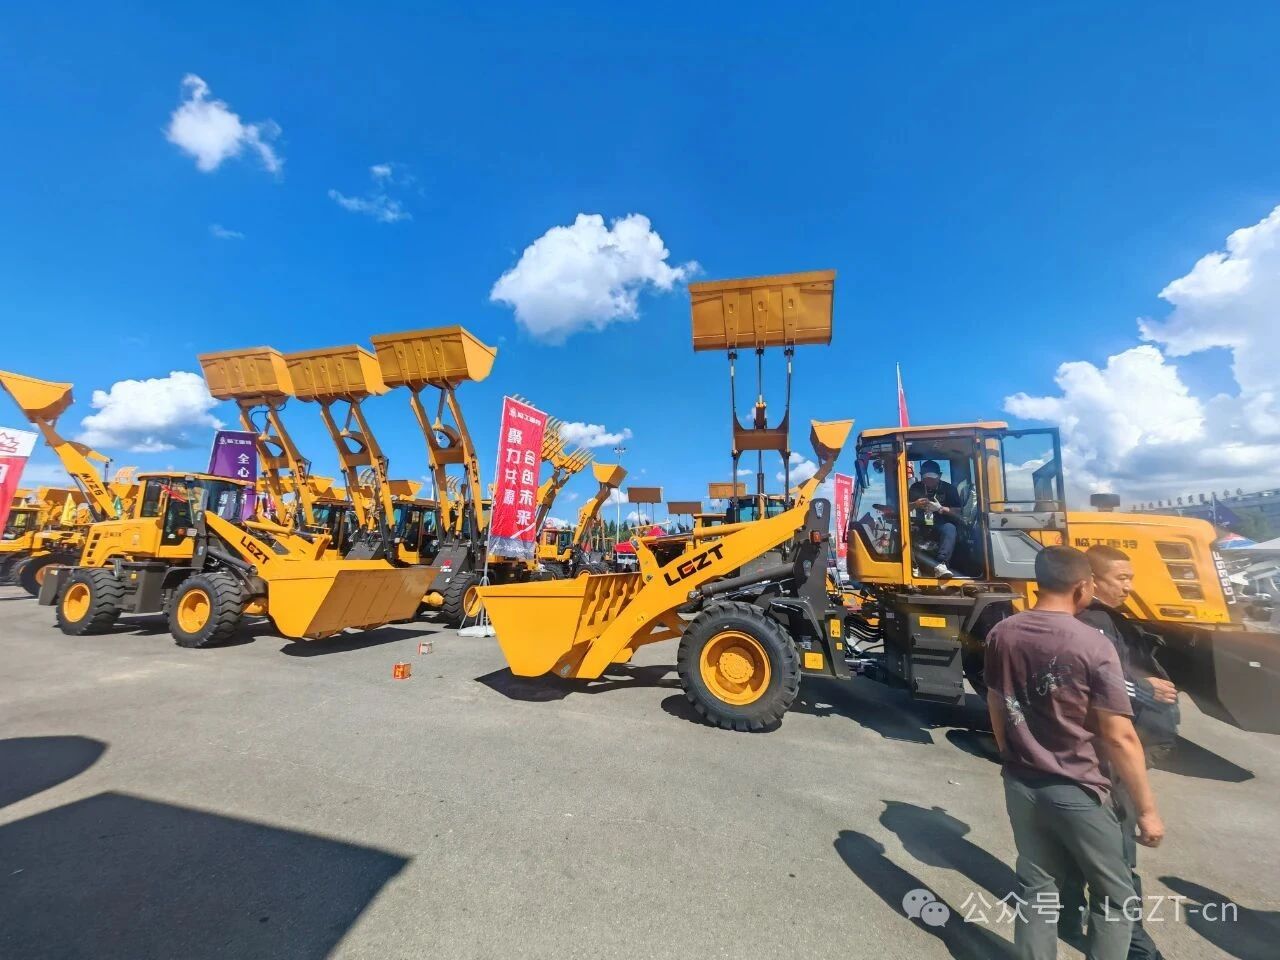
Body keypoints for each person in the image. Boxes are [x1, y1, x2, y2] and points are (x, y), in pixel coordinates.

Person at [985, 545, 1165, 960]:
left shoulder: (1003, 632)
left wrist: (1013, 756)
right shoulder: (1091, 645)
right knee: (1115, 897)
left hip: (1022, 783)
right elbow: (1120, 736)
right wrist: (1147, 810)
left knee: (1037, 890)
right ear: (1083, 587)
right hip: (1079, 789)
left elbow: (997, 704)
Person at [1055, 545, 1179, 959]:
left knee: (1075, 850)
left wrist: (1141, 679)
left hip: (1082, 759)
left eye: (1130, 578)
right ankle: (1136, 949)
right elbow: (1103, 689)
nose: (1128, 587)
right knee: (1119, 862)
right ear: (1091, 580)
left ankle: (1069, 918)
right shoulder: (1094, 623)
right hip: (1106, 761)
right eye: (1120, 579)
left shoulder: (1098, 621)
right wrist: (1144, 689)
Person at [907, 459, 964, 579]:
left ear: (940, 476)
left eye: (932, 477)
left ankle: (941, 564)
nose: (929, 480)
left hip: (941, 524)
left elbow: (958, 511)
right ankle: (913, 566)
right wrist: (915, 504)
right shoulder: (916, 487)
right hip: (921, 524)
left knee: (950, 528)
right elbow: (904, 507)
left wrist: (940, 508)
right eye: (926, 477)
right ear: (921, 476)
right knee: (905, 530)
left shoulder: (950, 489)